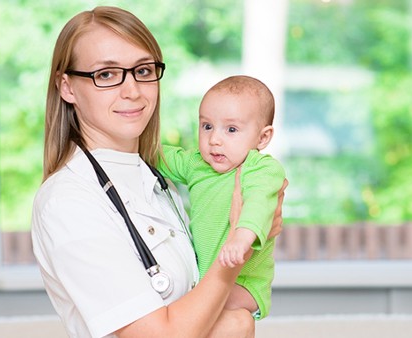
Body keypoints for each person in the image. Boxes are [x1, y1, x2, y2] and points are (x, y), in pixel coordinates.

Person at [30, 6, 286, 338]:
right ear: (67, 88)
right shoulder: (68, 201)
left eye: (143, 70)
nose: (132, 90)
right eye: (106, 75)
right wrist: (234, 256)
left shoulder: (160, 180)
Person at [158, 75, 285, 320]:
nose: (214, 139)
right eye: (207, 126)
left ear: (263, 137)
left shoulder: (260, 168)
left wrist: (241, 237)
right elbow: (159, 156)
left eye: (231, 129)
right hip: (206, 277)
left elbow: (259, 203)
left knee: (189, 315)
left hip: (245, 281)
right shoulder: (197, 163)